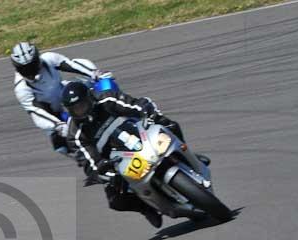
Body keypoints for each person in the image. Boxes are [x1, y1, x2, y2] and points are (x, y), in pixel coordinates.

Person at [63, 81, 207, 228]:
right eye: (75, 109)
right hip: (116, 162)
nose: (80, 110)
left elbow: (134, 104)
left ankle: (188, 156)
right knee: (115, 201)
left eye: (82, 105)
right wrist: (101, 170)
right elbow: (88, 160)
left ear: (90, 98)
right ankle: (146, 208)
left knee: (170, 125)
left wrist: (147, 112)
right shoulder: (74, 133)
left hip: (139, 135)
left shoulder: (107, 99)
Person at [11, 42, 104, 155]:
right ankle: (93, 163)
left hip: (65, 95)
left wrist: (95, 74)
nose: (29, 71)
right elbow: (37, 111)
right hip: (52, 114)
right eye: (24, 69)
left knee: (93, 90)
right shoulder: (21, 88)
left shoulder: (49, 58)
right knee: (62, 147)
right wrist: (57, 125)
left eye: (32, 66)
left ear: (37, 60)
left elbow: (71, 65)